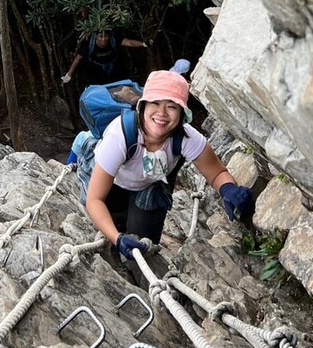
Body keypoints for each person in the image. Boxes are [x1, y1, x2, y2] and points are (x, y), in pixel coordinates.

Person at [85, 69, 255, 259]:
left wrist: (228, 189)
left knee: (143, 249)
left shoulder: (186, 138)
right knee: (114, 237)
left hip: (148, 185)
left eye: (172, 106)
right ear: (143, 105)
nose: (162, 113)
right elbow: (95, 199)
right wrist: (117, 238)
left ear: (182, 112)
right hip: (113, 187)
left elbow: (216, 174)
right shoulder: (120, 135)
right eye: (155, 103)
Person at [61, 29, 149, 86]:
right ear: (96, 36)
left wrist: (143, 44)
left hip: (113, 67)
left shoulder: (113, 39)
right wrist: (69, 74)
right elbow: (78, 58)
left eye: (106, 36)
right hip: (97, 70)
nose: (104, 39)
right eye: (101, 36)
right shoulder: (89, 44)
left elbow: (129, 42)